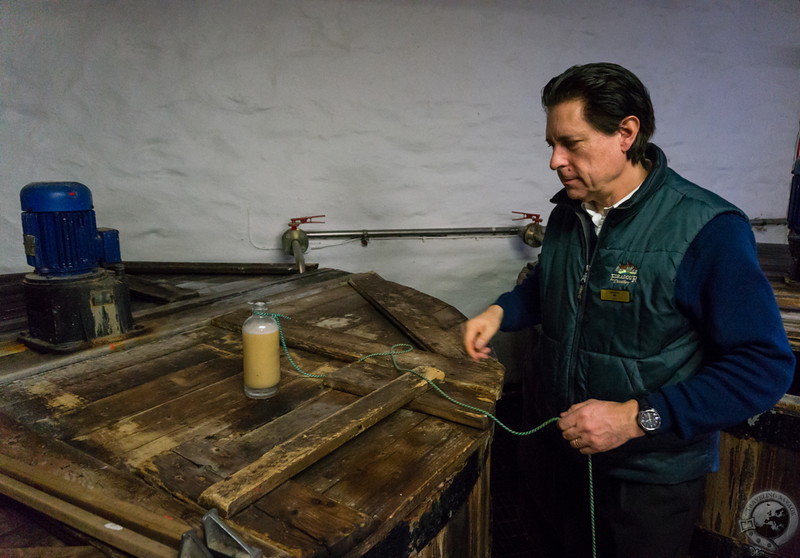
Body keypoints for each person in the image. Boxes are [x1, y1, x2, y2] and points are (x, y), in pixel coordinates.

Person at [463, 63, 795, 558]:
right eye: (551, 144)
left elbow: (763, 366)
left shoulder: (707, 228)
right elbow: (552, 286)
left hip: (644, 481)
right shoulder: (568, 214)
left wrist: (637, 418)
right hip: (556, 457)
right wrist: (500, 311)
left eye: (571, 143)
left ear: (626, 132)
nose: (555, 160)